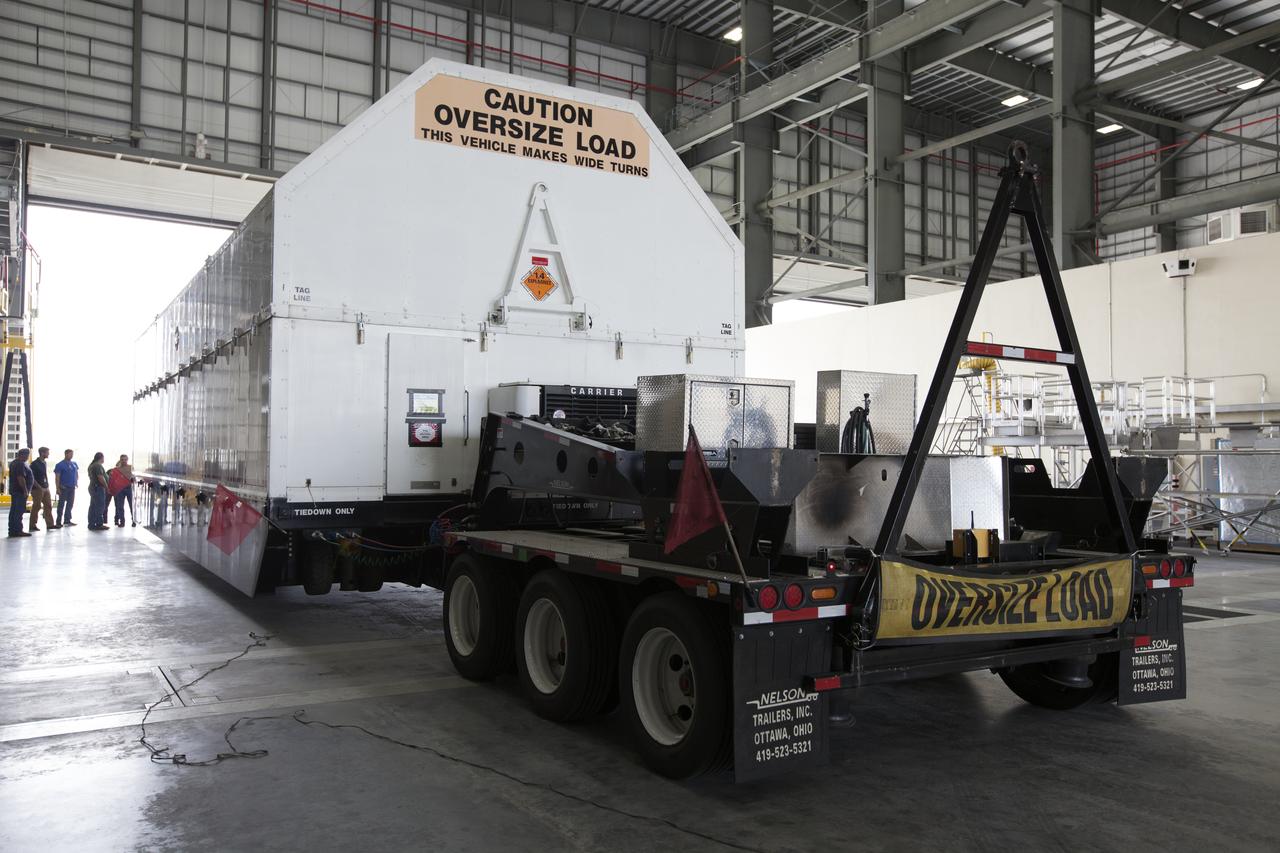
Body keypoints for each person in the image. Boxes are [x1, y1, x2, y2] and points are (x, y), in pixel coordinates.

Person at [28, 446, 59, 532]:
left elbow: (44, 475)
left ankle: (50, 524)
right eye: (47, 452)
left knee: (48, 506)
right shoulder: (34, 464)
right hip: (37, 489)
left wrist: (47, 485)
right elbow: (32, 477)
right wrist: (39, 487)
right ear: (42, 453)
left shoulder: (44, 463)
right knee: (37, 506)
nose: (48, 454)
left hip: (45, 487)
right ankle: (32, 525)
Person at [7, 448, 33, 538]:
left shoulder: (14, 462)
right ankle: (18, 530)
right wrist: (25, 490)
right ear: (23, 455)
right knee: (19, 511)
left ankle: (12, 530)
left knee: (14, 511)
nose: (27, 457)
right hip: (19, 491)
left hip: (15, 491)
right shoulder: (20, 464)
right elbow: (20, 478)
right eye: (27, 455)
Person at [54, 449, 78, 527]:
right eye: (70, 454)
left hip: (72, 487)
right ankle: (58, 521)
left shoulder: (74, 464)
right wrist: (57, 488)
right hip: (64, 487)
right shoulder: (60, 465)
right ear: (66, 454)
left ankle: (67, 520)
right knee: (61, 504)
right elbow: (57, 477)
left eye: (72, 454)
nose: (71, 456)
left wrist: (76, 482)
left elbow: (76, 473)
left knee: (70, 504)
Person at [110, 454, 135, 528]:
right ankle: (122, 521)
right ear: (120, 460)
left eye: (125, 459)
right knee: (120, 506)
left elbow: (134, 477)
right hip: (120, 489)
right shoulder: (116, 469)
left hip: (129, 488)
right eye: (122, 459)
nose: (124, 461)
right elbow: (113, 479)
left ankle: (134, 521)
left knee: (132, 505)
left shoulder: (131, 467)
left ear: (127, 460)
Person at [87, 452, 109, 531]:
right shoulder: (97, 465)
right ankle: (99, 523)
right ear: (101, 458)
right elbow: (100, 477)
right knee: (100, 506)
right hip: (98, 488)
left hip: (93, 487)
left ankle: (91, 523)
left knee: (93, 506)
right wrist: (106, 487)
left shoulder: (92, 465)